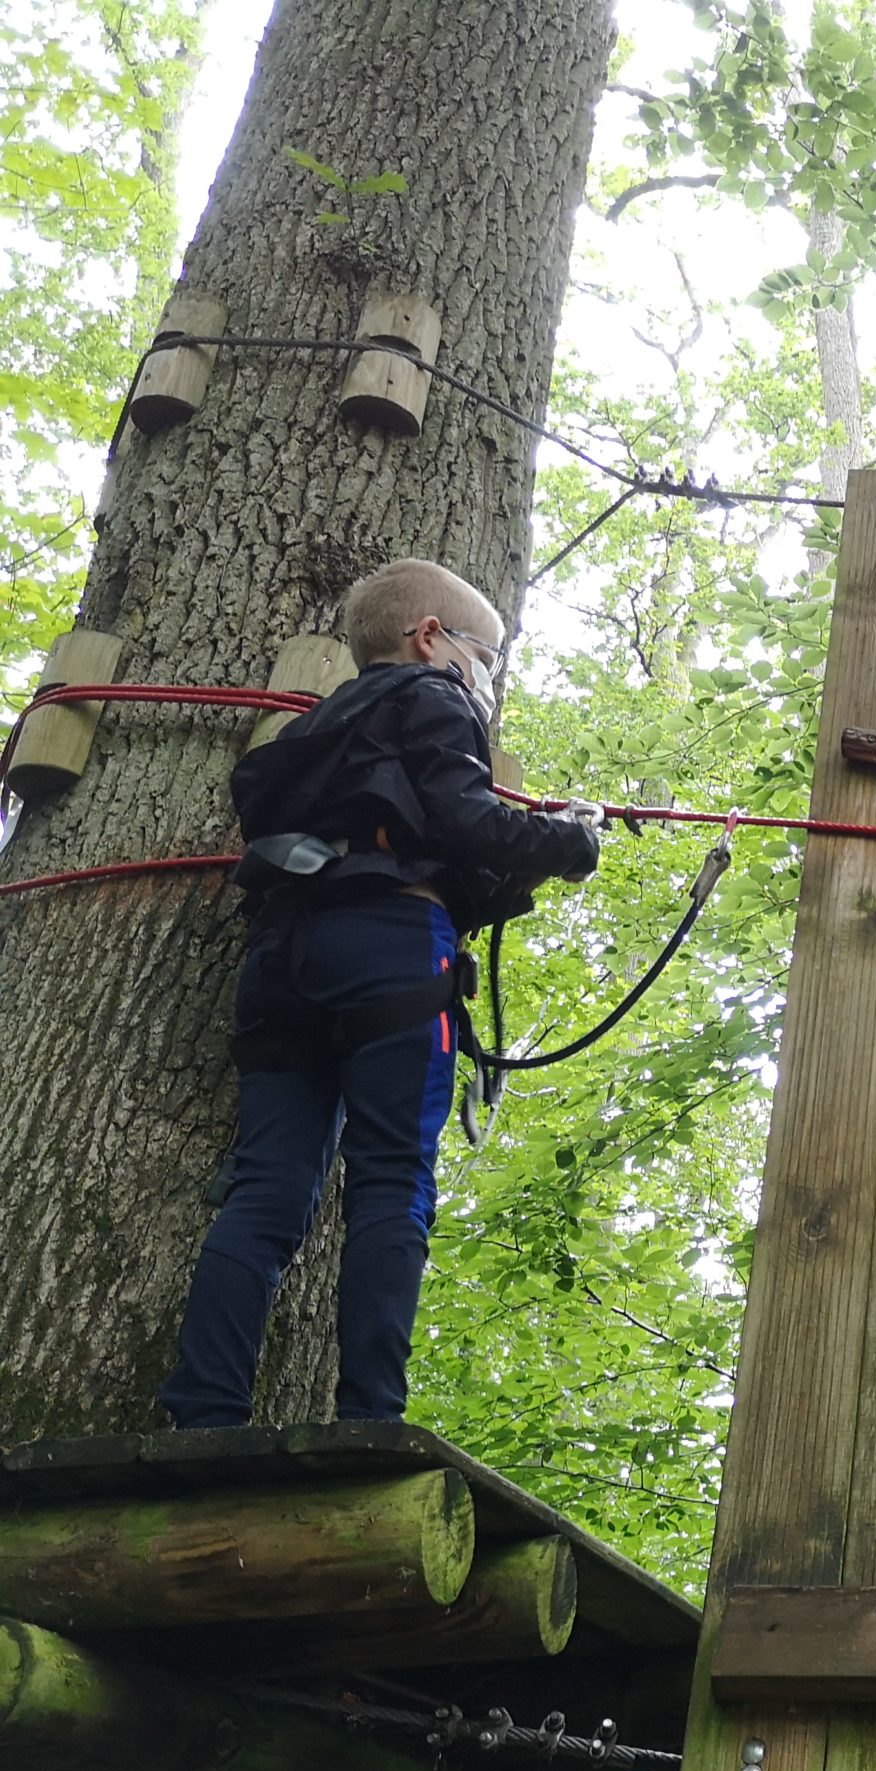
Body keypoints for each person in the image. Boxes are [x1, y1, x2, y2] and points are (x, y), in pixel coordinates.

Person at [158, 558, 600, 1429]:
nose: (485, 677)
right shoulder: (434, 697)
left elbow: (415, 826)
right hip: (390, 952)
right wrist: (569, 842)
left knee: (266, 1193)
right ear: (430, 638)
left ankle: (202, 1412)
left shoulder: (311, 736)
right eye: (485, 656)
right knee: (392, 1180)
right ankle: (369, 1419)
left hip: (281, 961)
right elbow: (467, 821)